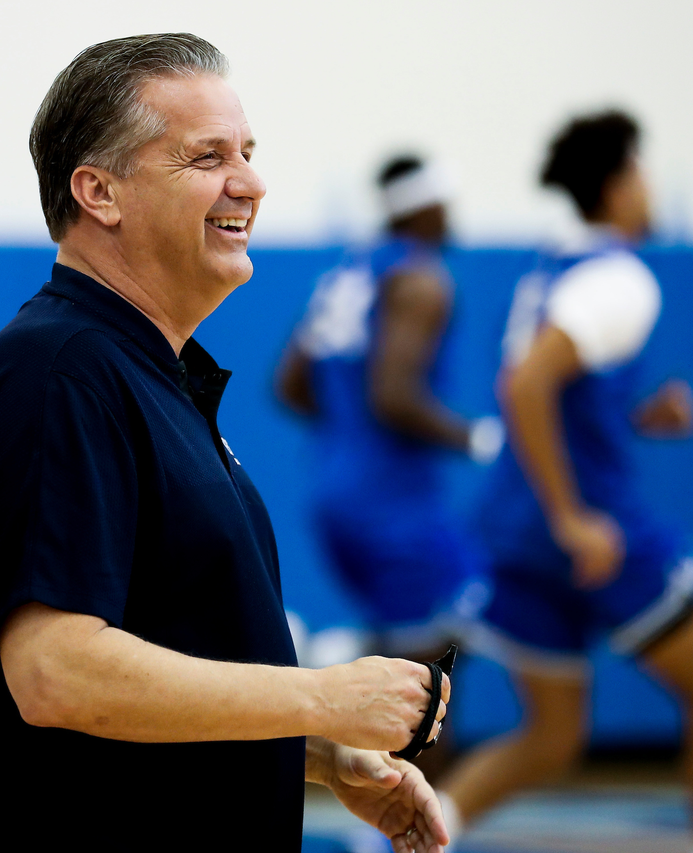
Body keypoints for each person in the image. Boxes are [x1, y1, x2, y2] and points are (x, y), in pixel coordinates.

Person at [0, 34, 451, 853]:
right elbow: (57, 671)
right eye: (206, 157)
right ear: (99, 192)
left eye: (248, 152)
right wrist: (319, 696)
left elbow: (161, 665)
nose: (251, 182)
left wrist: (320, 753)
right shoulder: (57, 370)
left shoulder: (149, 374)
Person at [429, 110, 693, 852]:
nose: (650, 188)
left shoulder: (550, 269)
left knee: (552, 733)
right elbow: (528, 386)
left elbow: (561, 396)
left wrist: (634, 415)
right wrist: (573, 515)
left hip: (514, 531)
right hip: (588, 530)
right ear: (617, 182)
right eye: (642, 171)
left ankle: (408, 837)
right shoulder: (620, 277)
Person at [275, 154, 498, 753]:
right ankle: (409, 825)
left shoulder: (346, 274)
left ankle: (355, 654)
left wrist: (349, 432)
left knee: (426, 645)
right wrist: (474, 438)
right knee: (437, 669)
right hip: (393, 506)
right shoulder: (421, 278)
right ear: (424, 208)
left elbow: (291, 384)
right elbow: (394, 396)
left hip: (334, 494)